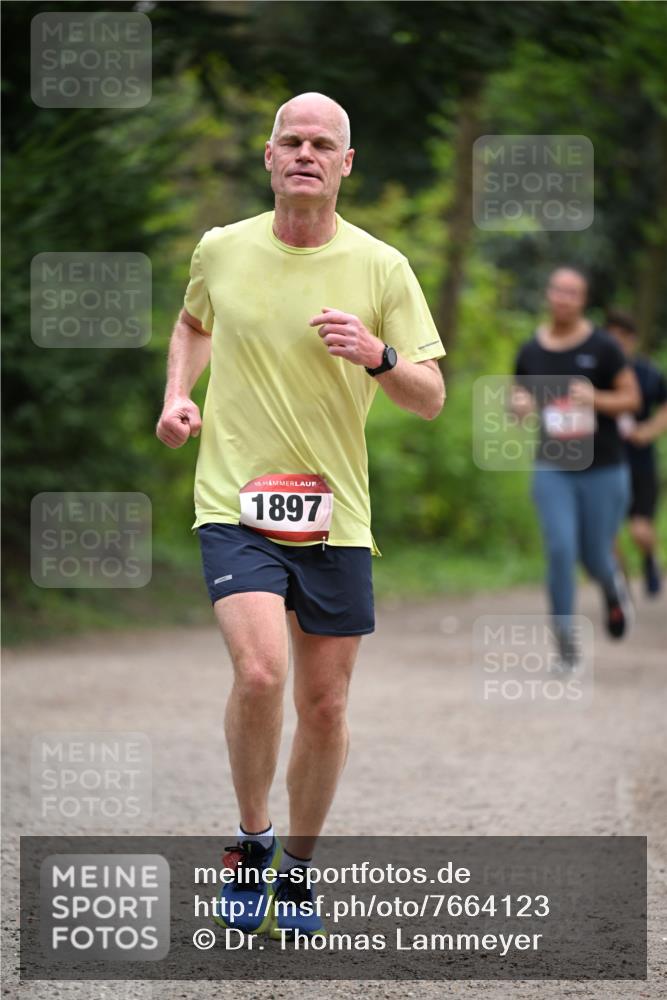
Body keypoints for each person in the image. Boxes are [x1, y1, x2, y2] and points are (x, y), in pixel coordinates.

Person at [156, 92, 446, 939]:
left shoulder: (381, 268)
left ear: (346, 164)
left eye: (324, 143)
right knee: (260, 673)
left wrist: (378, 354)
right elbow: (191, 321)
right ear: (270, 156)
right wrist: (179, 395)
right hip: (233, 501)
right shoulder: (222, 248)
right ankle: (251, 845)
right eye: (293, 140)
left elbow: (427, 397)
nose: (307, 152)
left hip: (334, 516)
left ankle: (298, 874)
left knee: (324, 706)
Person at [513, 267, 640, 668]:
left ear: (583, 300)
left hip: (603, 468)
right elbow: (519, 396)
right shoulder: (531, 350)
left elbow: (631, 399)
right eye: (558, 290)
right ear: (548, 294)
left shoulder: (603, 347)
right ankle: (566, 646)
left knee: (595, 556)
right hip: (553, 466)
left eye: (573, 292)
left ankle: (613, 587)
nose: (564, 298)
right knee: (560, 548)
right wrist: (519, 406)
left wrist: (595, 399)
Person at [606, 308, 667, 596]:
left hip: (640, 464)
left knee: (639, 529)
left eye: (622, 339)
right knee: (608, 531)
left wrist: (649, 431)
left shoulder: (648, 373)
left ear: (632, 340)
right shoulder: (596, 374)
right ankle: (621, 585)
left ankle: (650, 559)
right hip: (605, 462)